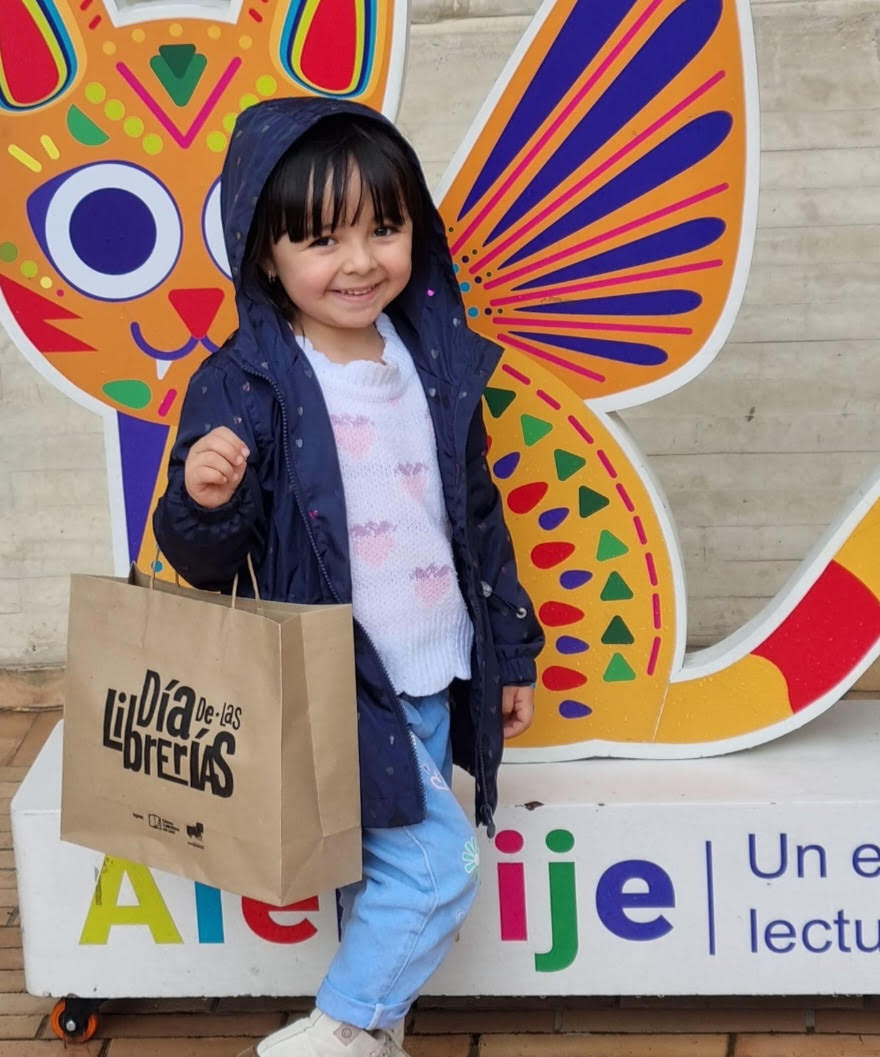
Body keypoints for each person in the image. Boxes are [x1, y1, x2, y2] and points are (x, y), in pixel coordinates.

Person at [152, 97, 544, 1057]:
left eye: (385, 227)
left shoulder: (429, 359)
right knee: (442, 864)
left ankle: (373, 1037)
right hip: (333, 680)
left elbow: (475, 516)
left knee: (379, 877)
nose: (361, 260)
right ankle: (336, 1032)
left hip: (432, 669)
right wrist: (206, 500)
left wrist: (510, 653)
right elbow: (204, 563)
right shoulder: (248, 381)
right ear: (265, 255)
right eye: (322, 239)